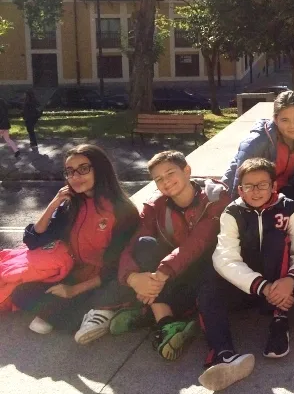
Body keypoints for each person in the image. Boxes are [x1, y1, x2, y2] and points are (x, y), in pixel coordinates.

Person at [72, 151, 230, 360]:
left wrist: (161, 274)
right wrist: (132, 278)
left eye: (170, 173)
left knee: (204, 277)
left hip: (207, 270)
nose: (166, 182)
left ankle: (153, 315)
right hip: (171, 276)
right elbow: (132, 245)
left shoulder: (215, 198)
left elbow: (198, 243)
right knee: (144, 245)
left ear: (187, 171)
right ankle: (165, 321)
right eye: (158, 179)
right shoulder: (156, 205)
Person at [197, 158, 294, 391]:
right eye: (248, 186)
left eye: (262, 184)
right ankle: (225, 355)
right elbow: (225, 257)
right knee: (209, 286)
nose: (255, 191)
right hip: (248, 286)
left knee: (276, 240)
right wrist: (262, 287)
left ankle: (279, 322)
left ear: (274, 186)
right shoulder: (233, 212)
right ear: (240, 189)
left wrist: (290, 280)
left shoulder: (288, 207)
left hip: (280, 284)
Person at [10, 144, 138, 335]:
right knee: (21, 293)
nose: (75, 177)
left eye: (83, 169)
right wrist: (54, 204)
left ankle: (100, 311)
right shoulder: (71, 205)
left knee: (58, 311)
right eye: (69, 172)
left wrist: (74, 291)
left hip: (104, 281)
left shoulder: (122, 210)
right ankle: (91, 314)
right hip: (72, 275)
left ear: (100, 169)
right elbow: (33, 240)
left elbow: (116, 267)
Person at [223, 91, 294, 222]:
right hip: (255, 193)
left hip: (280, 195)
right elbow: (238, 184)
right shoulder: (258, 140)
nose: (292, 125)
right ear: (275, 119)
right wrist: (237, 216)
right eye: (285, 120)